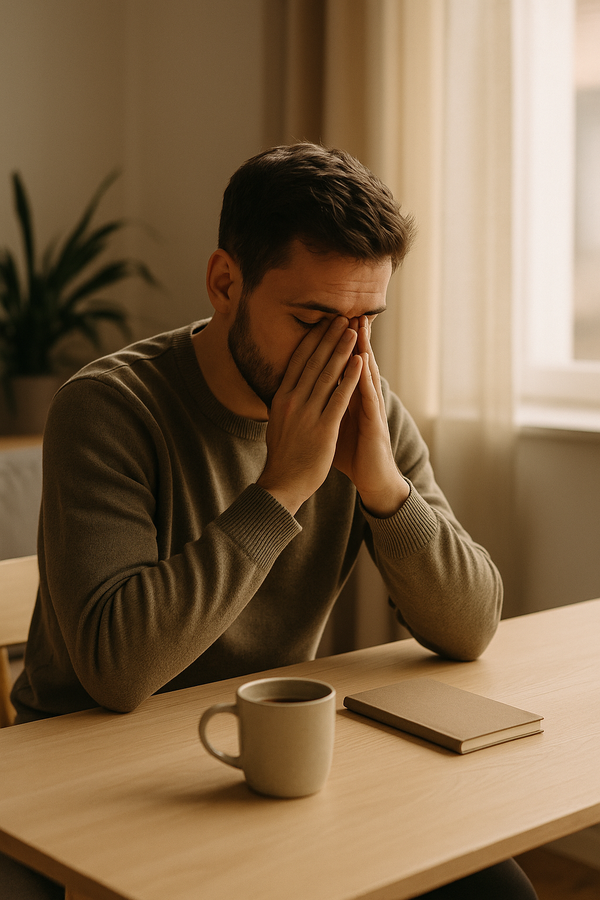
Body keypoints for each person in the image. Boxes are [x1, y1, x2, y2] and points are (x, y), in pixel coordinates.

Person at [6, 143, 537, 899]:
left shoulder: (368, 410)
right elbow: (116, 672)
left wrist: (383, 487)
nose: (346, 353)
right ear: (226, 283)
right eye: (314, 318)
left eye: (367, 322)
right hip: (89, 781)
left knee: (495, 892)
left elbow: (473, 623)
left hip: (263, 763)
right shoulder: (110, 408)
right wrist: (281, 489)